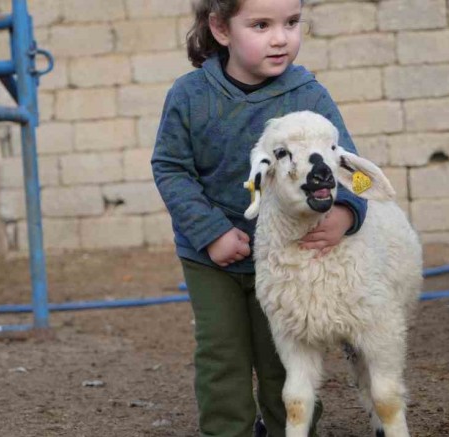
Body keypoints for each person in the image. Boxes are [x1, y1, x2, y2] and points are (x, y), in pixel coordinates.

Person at [150, 0, 369, 435]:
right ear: (220, 28)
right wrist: (211, 232)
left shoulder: (310, 97)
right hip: (213, 258)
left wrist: (348, 210)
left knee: (285, 356)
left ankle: (292, 427)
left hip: (291, 258)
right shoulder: (190, 96)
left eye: (291, 23)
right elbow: (170, 168)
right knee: (222, 354)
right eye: (261, 24)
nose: (280, 37)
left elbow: (354, 169)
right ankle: (228, 429)